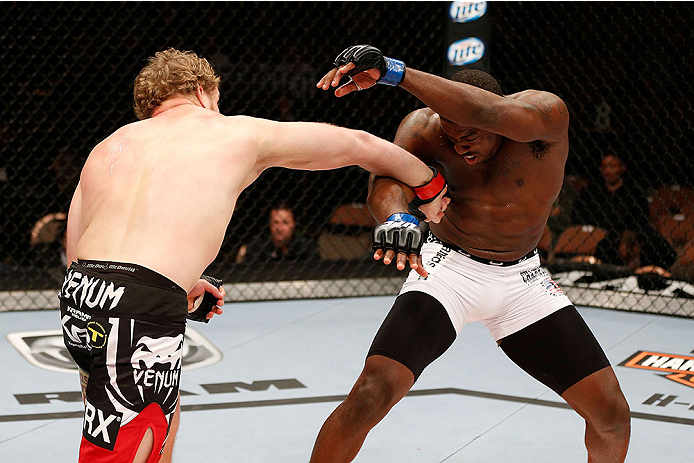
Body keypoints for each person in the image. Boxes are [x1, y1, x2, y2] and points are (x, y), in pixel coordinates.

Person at [60, 48, 447, 463]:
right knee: (123, 449)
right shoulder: (232, 132)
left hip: (80, 297)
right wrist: (428, 184)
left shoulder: (109, 145)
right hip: (138, 309)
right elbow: (358, 145)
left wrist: (178, 279)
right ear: (203, 91)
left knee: (154, 422)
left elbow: (77, 249)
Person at [311, 45, 630, 462]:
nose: (460, 147)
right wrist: (396, 219)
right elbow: (386, 180)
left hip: (524, 284)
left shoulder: (544, 117)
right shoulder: (425, 128)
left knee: (611, 414)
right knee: (372, 393)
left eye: (471, 134)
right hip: (448, 271)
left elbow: (491, 113)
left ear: (493, 117)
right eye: (452, 135)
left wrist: (395, 73)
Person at [235, 203, 314, 263]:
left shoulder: (306, 247)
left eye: (285, 222)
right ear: (270, 224)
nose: (280, 228)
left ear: (293, 225)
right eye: (276, 222)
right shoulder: (256, 248)